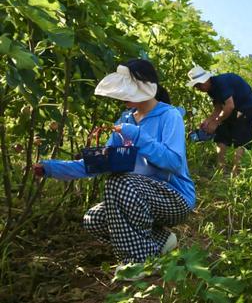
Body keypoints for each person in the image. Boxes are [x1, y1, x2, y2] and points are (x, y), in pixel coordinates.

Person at [34, 59, 195, 280]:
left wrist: (138, 136)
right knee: (94, 219)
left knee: (118, 182)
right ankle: (162, 241)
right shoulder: (126, 120)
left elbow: (173, 162)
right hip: (137, 198)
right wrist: (51, 168)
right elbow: (102, 163)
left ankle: (139, 261)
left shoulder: (170, 116)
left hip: (174, 198)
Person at [187, 65, 252, 176]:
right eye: (196, 86)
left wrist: (216, 122)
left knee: (241, 140)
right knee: (222, 134)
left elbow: (229, 106)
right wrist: (209, 121)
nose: (198, 89)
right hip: (234, 107)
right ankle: (221, 169)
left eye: (199, 85)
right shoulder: (211, 89)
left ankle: (236, 173)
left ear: (206, 79)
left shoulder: (221, 83)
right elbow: (219, 107)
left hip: (247, 106)